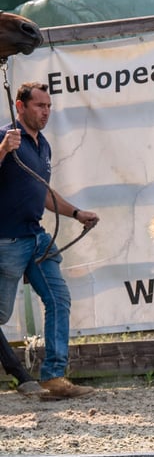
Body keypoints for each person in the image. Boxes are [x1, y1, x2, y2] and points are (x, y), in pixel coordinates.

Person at [0, 81, 98, 399]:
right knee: (0, 316)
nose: (46, 112)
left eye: (49, 107)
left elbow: (42, 192)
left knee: (59, 299)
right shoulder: (5, 137)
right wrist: (3, 150)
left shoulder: (42, 144)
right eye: (39, 106)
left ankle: (54, 376)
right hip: (7, 241)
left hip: (36, 238)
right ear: (20, 107)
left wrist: (76, 212)